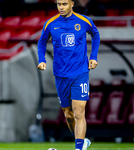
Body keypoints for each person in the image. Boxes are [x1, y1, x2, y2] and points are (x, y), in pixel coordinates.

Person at [37, 0, 100, 150]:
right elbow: (42, 42)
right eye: (59, 4)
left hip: (80, 73)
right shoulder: (50, 23)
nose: (61, 7)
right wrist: (41, 60)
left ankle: (79, 147)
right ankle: (82, 141)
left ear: (72, 3)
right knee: (68, 114)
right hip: (60, 75)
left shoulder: (84, 21)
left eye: (64, 4)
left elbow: (95, 35)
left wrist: (93, 57)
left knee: (79, 112)